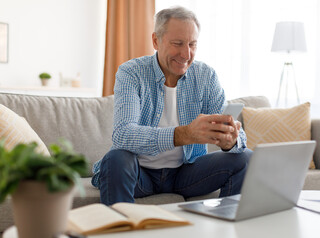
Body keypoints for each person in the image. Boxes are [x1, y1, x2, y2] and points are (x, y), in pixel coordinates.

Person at [91, 6, 252, 205]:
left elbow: (235, 132)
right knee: (116, 158)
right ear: (156, 41)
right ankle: (119, 231)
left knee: (244, 157)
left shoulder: (206, 76)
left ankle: (227, 226)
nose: (186, 54)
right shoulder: (131, 73)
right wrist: (184, 134)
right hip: (141, 174)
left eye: (192, 44)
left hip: (186, 173)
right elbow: (123, 134)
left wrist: (231, 141)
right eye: (178, 43)